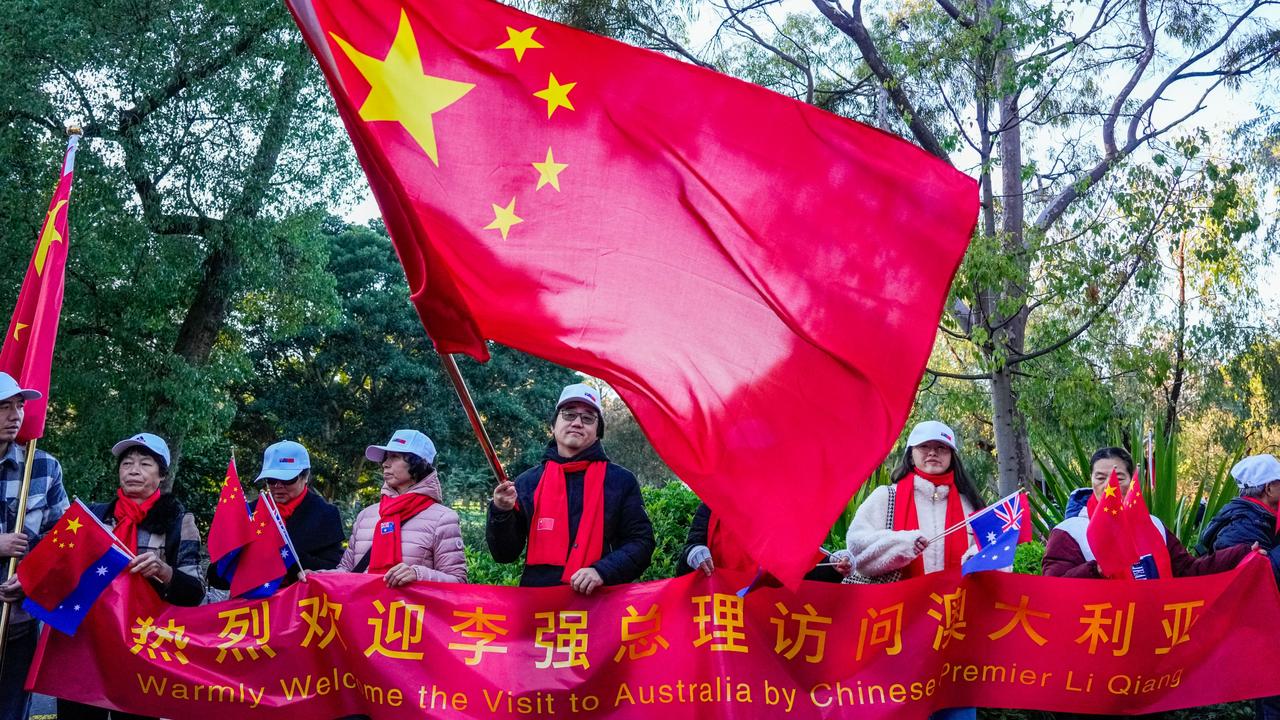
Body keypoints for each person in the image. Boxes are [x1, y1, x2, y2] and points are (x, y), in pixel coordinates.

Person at [57, 433, 203, 720]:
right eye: (127, 463)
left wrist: (164, 572)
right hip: (86, 645)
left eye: (145, 464)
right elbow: (59, 567)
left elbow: (195, 591)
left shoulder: (179, 522)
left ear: (161, 475)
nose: (133, 470)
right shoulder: (92, 518)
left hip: (143, 648)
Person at [846, 420, 983, 720]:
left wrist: (977, 559)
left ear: (952, 455)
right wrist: (901, 544)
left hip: (954, 635)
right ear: (911, 454)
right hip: (896, 634)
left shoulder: (970, 505)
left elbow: (993, 560)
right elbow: (857, 548)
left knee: (955, 710)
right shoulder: (887, 496)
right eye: (925, 447)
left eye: (941, 448)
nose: (933, 453)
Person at [487, 383, 655, 593]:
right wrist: (501, 511)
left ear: (598, 431)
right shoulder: (527, 482)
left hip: (601, 607)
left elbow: (642, 543)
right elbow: (504, 554)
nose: (577, 423)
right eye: (568, 414)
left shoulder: (620, 481)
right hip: (539, 611)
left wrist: (602, 571)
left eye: (587, 418)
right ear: (553, 425)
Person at [1043, 446, 1251, 579]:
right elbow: (1055, 588)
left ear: (1133, 480)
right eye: (1100, 477)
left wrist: (1243, 553)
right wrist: (1095, 570)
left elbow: (1188, 570)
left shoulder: (1153, 525)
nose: (1109, 485)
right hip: (1102, 637)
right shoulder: (1070, 531)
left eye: (1119, 477)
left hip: (1153, 632)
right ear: (1091, 480)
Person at [0, 373, 68, 720]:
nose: (15, 415)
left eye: (20, 406)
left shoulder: (41, 466)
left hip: (19, 625)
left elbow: (65, 542)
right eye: (4, 407)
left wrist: (31, 577)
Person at [1198, 454, 1280, 720]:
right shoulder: (1245, 523)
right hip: (1262, 632)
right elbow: (1252, 576)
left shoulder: (1259, 515)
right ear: (1269, 488)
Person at [207, 441, 344, 592]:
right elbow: (217, 576)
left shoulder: (325, 514)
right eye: (271, 480)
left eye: (287, 479)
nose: (278, 486)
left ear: (305, 476)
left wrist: (282, 553)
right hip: (253, 606)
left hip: (300, 605)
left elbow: (333, 569)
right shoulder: (250, 513)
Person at [334, 429, 466, 585]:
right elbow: (345, 571)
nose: (385, 464)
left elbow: (458, 581)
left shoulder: (443, 519)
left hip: (408, 609)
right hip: (363, 609)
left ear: (418, 464)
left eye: (395, 457)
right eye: (386, 457)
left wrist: (418, 574)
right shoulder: (366, 516)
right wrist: (313, 577)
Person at [677, 502, 853, 582]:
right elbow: (685, 564)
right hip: (720, 618)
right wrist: (694, 553)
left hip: (766, 624)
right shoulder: (712, 505)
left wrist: (833, 564)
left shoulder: (782, 511)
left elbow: (803, 571)